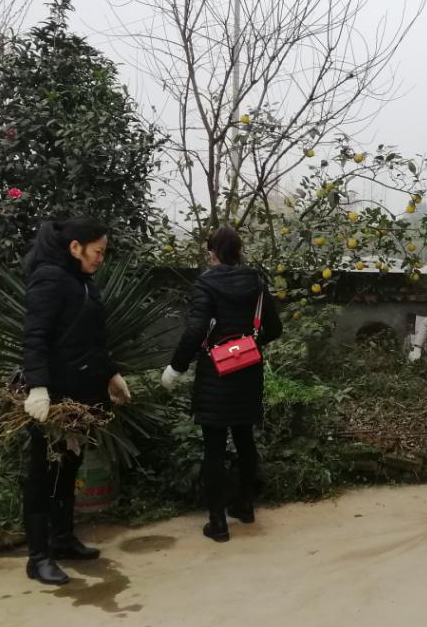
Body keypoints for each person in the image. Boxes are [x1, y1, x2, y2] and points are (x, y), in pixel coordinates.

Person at [22, 218, 131, 585]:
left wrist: (111, 374)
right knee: (43, 473)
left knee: (68, 466)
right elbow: (35, 336)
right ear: (75, 247)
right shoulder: (49, 278)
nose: (101, 258)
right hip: (52, 399)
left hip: (80, 396)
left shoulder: (82, 281)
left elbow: (91, 340)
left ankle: (63, 539)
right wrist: (38, 388)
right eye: (97, 251)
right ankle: (38, 557)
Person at [160, 228, 283, 543]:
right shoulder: (256, 282)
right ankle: (245, 506)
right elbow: (274, 328)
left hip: (216, 373)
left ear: (212, 253)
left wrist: (176, 367)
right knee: (245, 439)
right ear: (239, 251)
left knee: (213, 448)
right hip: (248, 372)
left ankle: (217, 523)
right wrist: (248, 346)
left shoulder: (205, 284)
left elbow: (195, 330)